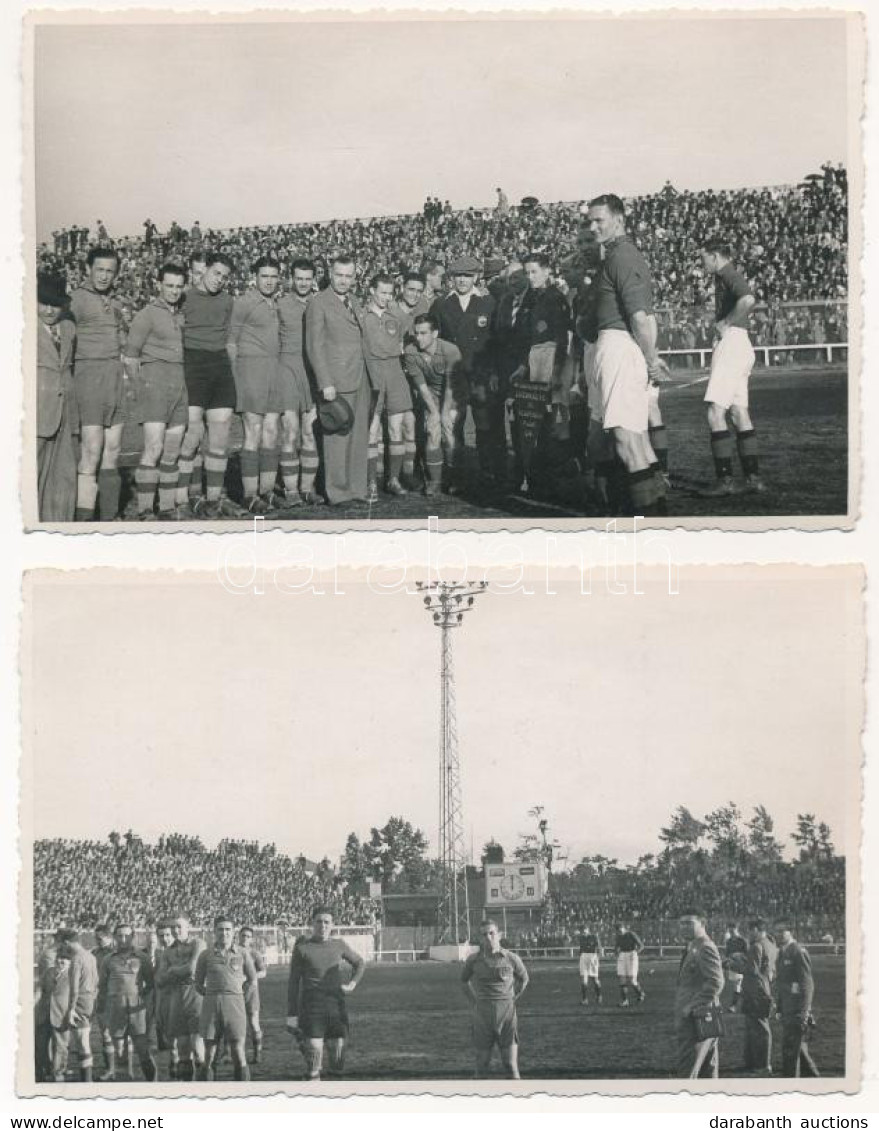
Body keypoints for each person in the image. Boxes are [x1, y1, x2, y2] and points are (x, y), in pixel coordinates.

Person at [586, 194, 669, 515]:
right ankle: (656, 513)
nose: (593, 227)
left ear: (619, 219)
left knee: (626, 441)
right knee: (636, 439)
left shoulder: (623, 256)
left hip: (620, 348)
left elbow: (641, 317)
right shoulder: (617, 255)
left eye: (599, 220)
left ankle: (649, 521)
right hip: (619, 347)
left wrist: (651, 359)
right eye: (590, 221)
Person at [177, 252, 244, 519]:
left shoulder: (228, 301)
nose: (220, 280)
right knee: (191, 436)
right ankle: (186, 497)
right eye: (216, 273)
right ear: (204, 270)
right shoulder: (184, 297)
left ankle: (213, 500)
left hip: (219, 366)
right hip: (193, 364)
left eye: (225, 277)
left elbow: (229, 336)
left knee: (219, 437)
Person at [123, 263, 188, 520]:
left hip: (180, 384)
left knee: (173, 448)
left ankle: (168, 506)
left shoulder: (184, 313)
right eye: (169, 285)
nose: (174, 291)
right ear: (159, 284)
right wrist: (143, 387)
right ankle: (146, 509)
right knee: (154, 446)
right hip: (155, 384)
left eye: (178, 286)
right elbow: (130, 357)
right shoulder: (146, 314)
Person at [304, 256, 370, 506]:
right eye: (339, 275)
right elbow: (315, 346)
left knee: (358, 436)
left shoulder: (354, 301)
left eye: (348, 276)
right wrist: (325, 382)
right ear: (330, 274)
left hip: (360, 375)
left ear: (355, 277)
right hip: (336, 379)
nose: (344, 280)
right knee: (337, 436)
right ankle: (337, 491)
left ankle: (356, 488)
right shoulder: (318, 303)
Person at [700, 238, 763, 495]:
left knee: (715, 412)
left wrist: (725, 323)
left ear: (715, 256)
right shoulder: (724, 276)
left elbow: (748, 300)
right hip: (742, 344)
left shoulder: (728, 273)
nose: (701, 262)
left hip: (732, 342)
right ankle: (753, 479)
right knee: (739, 413)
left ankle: (724, 481)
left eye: (704, 257)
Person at [68, 247, 127, 521]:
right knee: (92, 449)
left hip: (114, 377)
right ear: (88, 270)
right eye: (100, 269)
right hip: (89, 377)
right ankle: (83, 521)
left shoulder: (115, 302)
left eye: (110, 271)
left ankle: (109, 518)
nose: (104, 276)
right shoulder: (76, 300)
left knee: (113, 448)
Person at [429, 255, 498, 489]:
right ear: (451, 278)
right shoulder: (441, 304)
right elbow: (433, 340)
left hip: (480, 375)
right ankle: (454, 476)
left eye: (467, 276)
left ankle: (488, 473)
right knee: (453, 426)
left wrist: (492, 372)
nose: (462, 281)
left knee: (484, 425)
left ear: (477, 277)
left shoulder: (489, 303)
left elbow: (495, 340)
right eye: (458, 276)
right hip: (453, 375)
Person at [227, 255, 285, 514]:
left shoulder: (276, 303)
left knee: (272, 431)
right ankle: (249, 495)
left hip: (274, 370)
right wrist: (235, 376)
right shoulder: (243, 302)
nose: (269, 281)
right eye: (264, 276)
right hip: (250, 369)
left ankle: (267, 490)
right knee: (254, 430)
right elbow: (231, 341)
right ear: (254, 277)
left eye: (273, 276)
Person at [286, 905, 366, 1080]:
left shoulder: (339, 944)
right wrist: (292, 1014)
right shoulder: (302, 948)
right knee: (314, 1056)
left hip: (336, 1006)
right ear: (312, 924)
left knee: (337, 1056)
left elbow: (359, 963)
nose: (323, 925)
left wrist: (352, 984)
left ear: (332, 924)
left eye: (327, 922)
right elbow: (293, 982)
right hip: (312, 1006)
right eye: (319, 921)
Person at [362, 273, 416, 497]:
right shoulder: (361, 315)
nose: (385, 297)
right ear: (372, 291)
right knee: (372, 429)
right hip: (372, 371)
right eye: (382, 292)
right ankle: (371, 482)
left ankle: (393, 479)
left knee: (396, 427)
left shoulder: (397, 315)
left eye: (389, 293)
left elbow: (407, 338)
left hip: (394, 371)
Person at [402, 314, 467, 495]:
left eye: (424, 333)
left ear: (435, 333)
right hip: (431, 394)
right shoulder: (411, 351)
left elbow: (451, 386)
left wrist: (444, 413)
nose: (419, 338)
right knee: (432, 431)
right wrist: (434, 412)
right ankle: (435, 481)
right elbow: (422, 387)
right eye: (416, 333)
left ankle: (455, 477)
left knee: (450, 432)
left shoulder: (450, 350)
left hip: (455, 394)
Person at [461, 918, 529, 1079]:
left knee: (511, 1066)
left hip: (507, 1016)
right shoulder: (473, 960)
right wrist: (474, 1002)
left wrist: (513, 998)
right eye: (484, 934)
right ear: (480, 938)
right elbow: (463, 981)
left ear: (499, 934)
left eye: (491, 933)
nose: (488, 937)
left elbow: (524, 979)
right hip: (482, 1017)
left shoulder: (511, 958)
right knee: (481, 1066)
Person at [277, 258, 321, 506]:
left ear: (313, 279)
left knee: (309, 431)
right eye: (299, 278)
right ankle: (291, 490)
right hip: (288, 369)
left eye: (308, 279)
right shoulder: (280, 304)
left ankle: (307, 488)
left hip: (312, 371)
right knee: (290, 430)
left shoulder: (318, 303)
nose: (303, 283)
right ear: (291, 279)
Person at [194, 915, 257, 1081]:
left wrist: (239, 997)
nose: (224, 933)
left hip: (235, 1005)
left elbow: (252, 980)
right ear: (214, 931)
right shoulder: (205, 955)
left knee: (238, 1051)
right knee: (209, 1053)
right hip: (211, 1005)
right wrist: (212, 995)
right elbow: (198, 983)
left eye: (228, 929)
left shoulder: (242, 953)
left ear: (234, 932)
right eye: (220, 929)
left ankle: (241, 1095)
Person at [36, 272, 77, 521]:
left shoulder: (69, 328)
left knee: (63, 475)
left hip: (65, 413)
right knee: (33, 472)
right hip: (38, 411)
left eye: (56, 305)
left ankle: (59, 527)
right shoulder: (23, 328)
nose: (50, 310)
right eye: (44, 303)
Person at [96, 924, 157, 1081]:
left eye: (127, 936)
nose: (123, 939)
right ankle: (126, 1087)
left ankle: (154, 1085)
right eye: (120, 936)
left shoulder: (142, 958)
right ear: (115, 938)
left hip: (137, 1012)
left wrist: (146, 1006)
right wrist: (101, 1011)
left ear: (133, 937)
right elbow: (102, 987)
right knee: (120, 1051)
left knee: (143, 1050)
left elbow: (151, 984)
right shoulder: (108, 960)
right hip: (116, 1011)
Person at [675, 910, 724, 1078]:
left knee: (689, 1070)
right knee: (707, 1069)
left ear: (702, 924)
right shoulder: (694, 946)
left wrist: (691, 1006)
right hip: (703, 1014)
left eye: (689, 923)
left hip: (698, 1016)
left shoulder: (704, 947)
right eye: (681, 923)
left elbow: (716, 981)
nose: (683, 927)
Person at [729, 918, 776, 1076]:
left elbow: (751, 971)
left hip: (755, 991)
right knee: (755, 1029)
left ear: (756, 929)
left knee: (759, 1029)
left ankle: (762, 1066)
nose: (748, 934)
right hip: (763, 989)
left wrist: (731, 965)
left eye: (749, 930)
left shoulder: (757, 946)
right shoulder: (770, 943)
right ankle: (753, 1064)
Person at [775, 920, 819, 1078]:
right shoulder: (782, 952)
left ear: (791, 931)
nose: (779, 934)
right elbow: (781, 984)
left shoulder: (798, 952)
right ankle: (814, 1078)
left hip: (797, 1010)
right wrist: (780, 1008)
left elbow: (807, 985)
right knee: (797, 1047)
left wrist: (804, 1012)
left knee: (790, 1049)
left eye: (782, 931)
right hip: (787, 1009)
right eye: (777, 931)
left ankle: (791, 1083)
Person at [165, 914, 206, 1080]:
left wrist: (173, 970)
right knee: (182, 1046)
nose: (176, 930)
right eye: (173, 927)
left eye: (179, 927)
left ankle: (205, 1088)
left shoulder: (198, 943)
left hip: (195, 995)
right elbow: (161, 976)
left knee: (197, 1045)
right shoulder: (168, 950)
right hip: (177, 997)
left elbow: (192, 968)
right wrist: (179, 971)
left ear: (188, 928)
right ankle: (187, 1090)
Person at [153, 920, 179, 1078]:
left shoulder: (180, 952)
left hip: (178, 997)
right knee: (167, 1033)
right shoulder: (155, 954)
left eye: (168, 935)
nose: (165, 938)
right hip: (161, 997)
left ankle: (176, 1060)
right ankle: (173, 1058)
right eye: (161, 935)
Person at [238, 926, 267, 1065]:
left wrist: (249, 977)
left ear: (252, 939)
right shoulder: (233, 952)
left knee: (253, 1022)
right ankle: (233, 1054)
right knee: (234, 1024)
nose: (245, 938)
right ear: (238, 936)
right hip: (235, 993)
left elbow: (263, 972)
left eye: (248, 936)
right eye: (243, 935)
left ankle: (257, 1053)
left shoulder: (254, 954)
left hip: (251, 992)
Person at [614, 921, 645, 1006]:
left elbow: (641, 946)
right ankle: (625, 1001)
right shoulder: (618, 937)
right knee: (622, 979)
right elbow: (616, 947)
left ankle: (640, 993)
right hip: (622, 956)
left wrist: (636, 953)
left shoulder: (631, 934)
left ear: (624, 927)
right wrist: (616, 953)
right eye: (617, 929)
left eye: (620, 928)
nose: (619, 931)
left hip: (632, 955)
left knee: (632, 980)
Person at [722, 922, 748, 1013]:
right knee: (736, 986)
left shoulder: (743, 941)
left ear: (737, 929)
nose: (732, 932)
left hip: (742, 966)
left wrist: (738, 955)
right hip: (733, 966)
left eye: (733, 930)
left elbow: (748, 954)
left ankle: (733, 1006)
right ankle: (738, 1004)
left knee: (738, 986)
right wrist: (728, 960)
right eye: (730, 931)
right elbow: (727, 954)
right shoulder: (729, 942)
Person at [577, 926, 603, 1006]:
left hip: (593, 956)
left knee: (594, 979)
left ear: (588, 930)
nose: (583, 931)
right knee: (583, 979)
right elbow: (581, 948)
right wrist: (581, 956)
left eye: (585, 930)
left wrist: (597, 957)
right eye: (582, 930)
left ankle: (599, 995)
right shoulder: (581, 938)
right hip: (584, 957)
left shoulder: (594, 936)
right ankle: (584, 999)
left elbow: (599, 947)